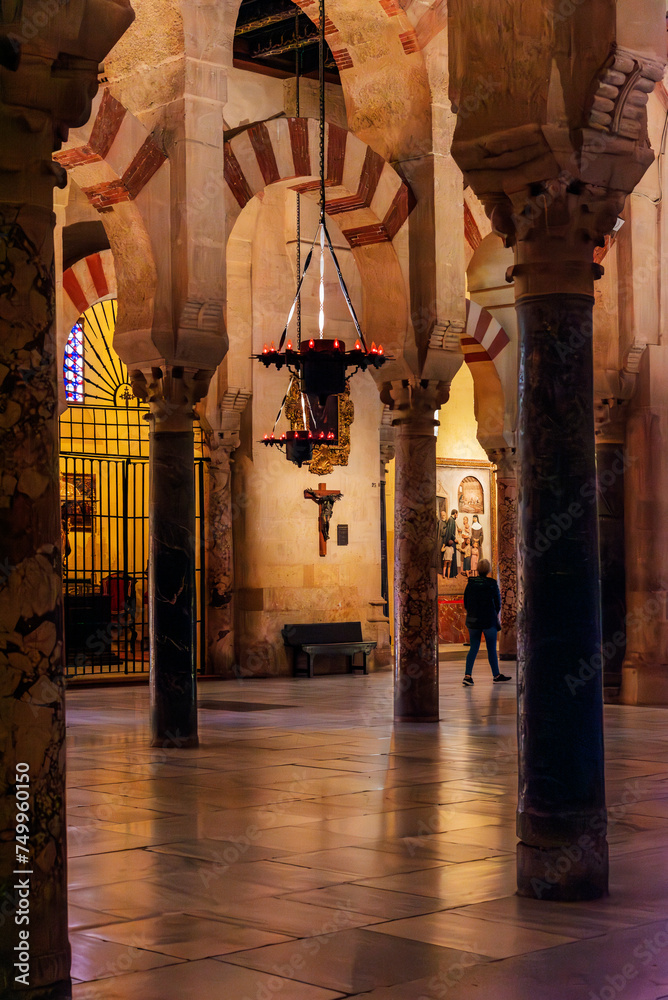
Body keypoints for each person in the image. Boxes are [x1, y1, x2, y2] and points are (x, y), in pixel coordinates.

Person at [462, 558, 512, 685]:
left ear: (478, 569)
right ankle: (496, 675)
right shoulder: (492, 583)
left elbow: (466, 602)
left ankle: (467, 676)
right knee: (491, 649)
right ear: (489, 570)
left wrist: (472, 612)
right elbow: (497, 602)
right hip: (489, 620)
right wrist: (494, 613)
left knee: (473, 647)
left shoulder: (470, 583)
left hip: (473, 620)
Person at [441, 509, 459, 578]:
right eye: (457, 514)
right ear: (454, 514)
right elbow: (451, 532)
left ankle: (452, 574)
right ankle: (451, 574)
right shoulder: (451, 520)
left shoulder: (451, 520)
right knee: (451, 558)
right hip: (451, 542)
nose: (457, 516)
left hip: (451, 541)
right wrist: (455, 539)